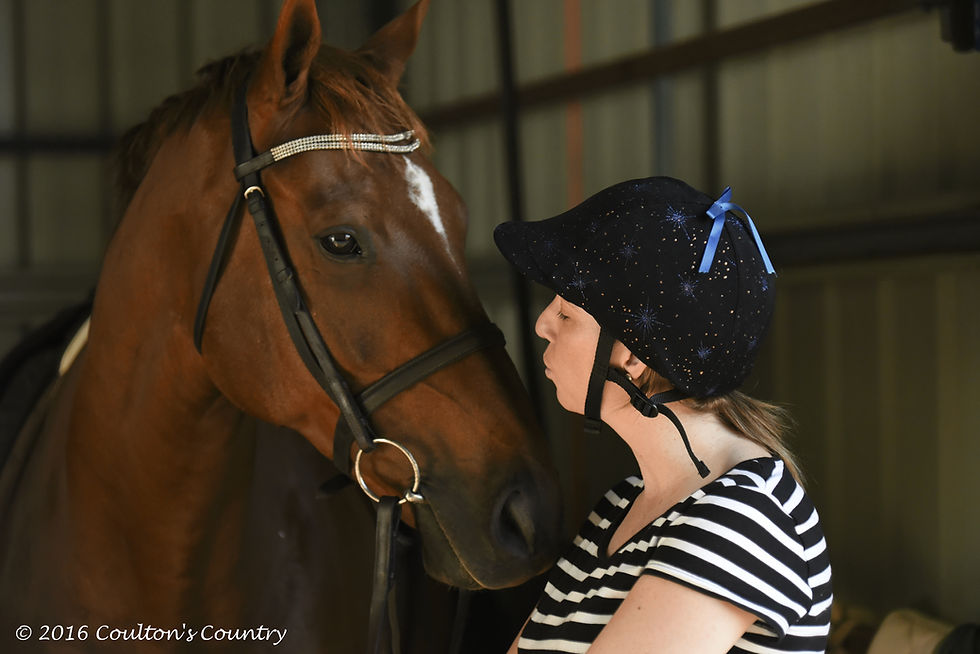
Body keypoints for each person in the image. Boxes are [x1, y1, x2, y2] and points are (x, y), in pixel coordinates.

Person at [494, 176, 832, 654]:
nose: (542, 324)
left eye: (567, 313)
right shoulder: (622, 507)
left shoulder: (739, 521)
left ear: (633, 357)